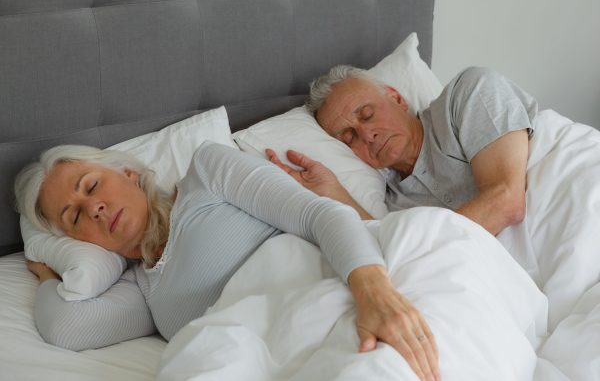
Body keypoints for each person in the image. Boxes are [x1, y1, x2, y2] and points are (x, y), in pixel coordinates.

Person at [15, 142, 441, 381]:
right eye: (73, 217)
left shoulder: (206, 173)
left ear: (128, 173)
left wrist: (375, 293)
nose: (93, 209)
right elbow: (64, 328)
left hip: (341, 294)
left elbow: (319, 214)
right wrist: (48, 269)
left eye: (90, 186)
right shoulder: (142, 294)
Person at [266, 66, 537, 237]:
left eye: (367, 114)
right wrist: (336, 194)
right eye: (349, 138)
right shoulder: (392, 205)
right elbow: (385, 259)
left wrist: (418, 251)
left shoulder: (467, 93)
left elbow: (507, 201)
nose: (367, 135)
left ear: (396, 98)